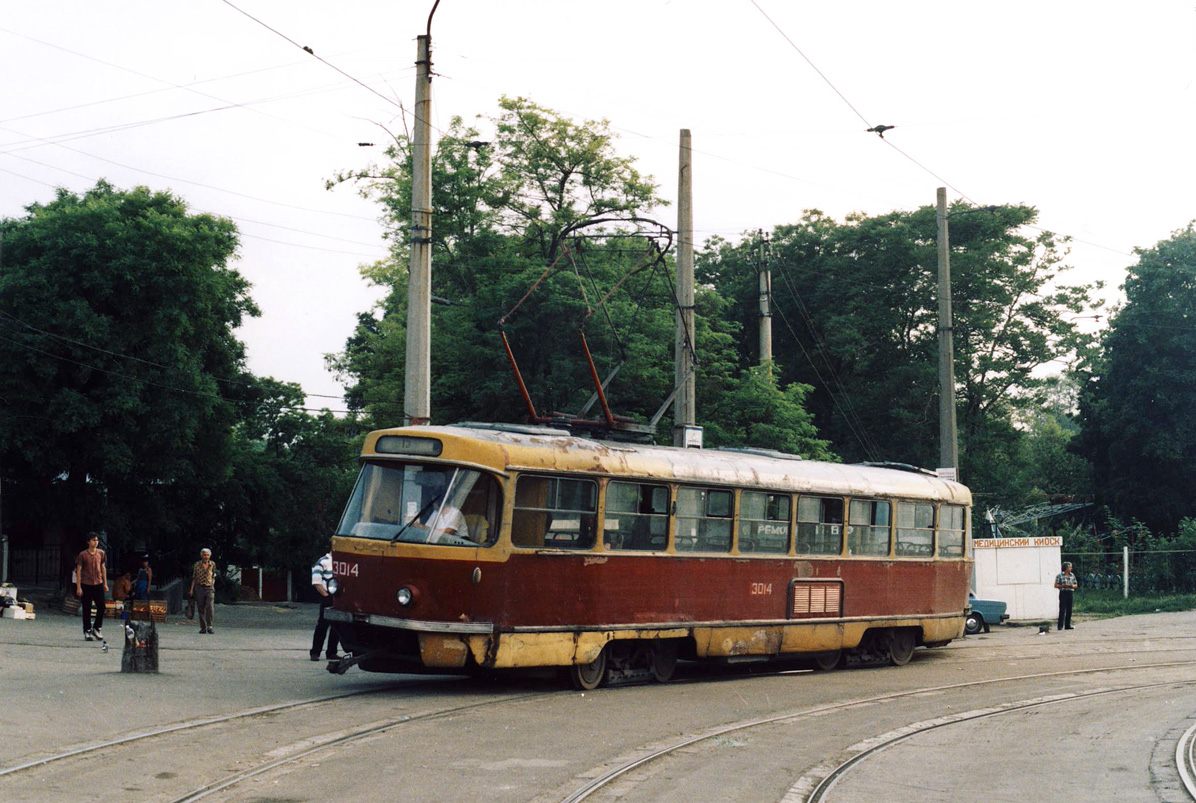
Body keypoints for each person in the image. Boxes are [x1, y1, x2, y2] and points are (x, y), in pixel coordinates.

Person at [74, 532, 108, 641]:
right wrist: (78, 587)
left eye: (97, 540)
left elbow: (103, 568)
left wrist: (105, 583)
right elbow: (78, 571)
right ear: (88, 541)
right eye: (93, 540)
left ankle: (97, 628)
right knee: (87, 608)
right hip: (86, 584)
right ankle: (87, 630)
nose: (96, 542)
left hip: (98, 583)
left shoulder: (101, 553)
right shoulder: (83, 555)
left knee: (101, 607)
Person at [310, 547, 341, 661]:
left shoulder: (340, 563)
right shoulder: (322, 562)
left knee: (336, 626)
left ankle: (332, 652)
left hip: (338, 597)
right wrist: (326, 596)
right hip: (327, 596)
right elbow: (317, 582)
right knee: (322, 625)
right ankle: (315, 652)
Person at [188, 548, 217, 634]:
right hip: (199, 587)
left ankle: (210, 626)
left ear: (210, 556)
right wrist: (191, 590)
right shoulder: (197, 565)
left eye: (207, 555)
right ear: (201, 555)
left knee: (210, 606)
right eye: (204, 555)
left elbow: (214, 575)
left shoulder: (212, 564)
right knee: (201, 608)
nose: (206, 557)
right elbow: (194, 577)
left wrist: (212, 584)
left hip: (209, 588)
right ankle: (203, 627)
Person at [1055, 560, 1078, 631]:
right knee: (1062, 609)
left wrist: (1072, 586)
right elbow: (1056, 585)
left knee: (1069, 609)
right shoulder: (1060, 575)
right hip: (1063, 592)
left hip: (1070, 592)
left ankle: (1067, 625)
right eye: (1069, 567)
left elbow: (1076, 584)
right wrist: (1063, 585)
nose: (1070, 568)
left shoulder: (1072, 575)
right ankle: (1060, 625)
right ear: (1065, 568)